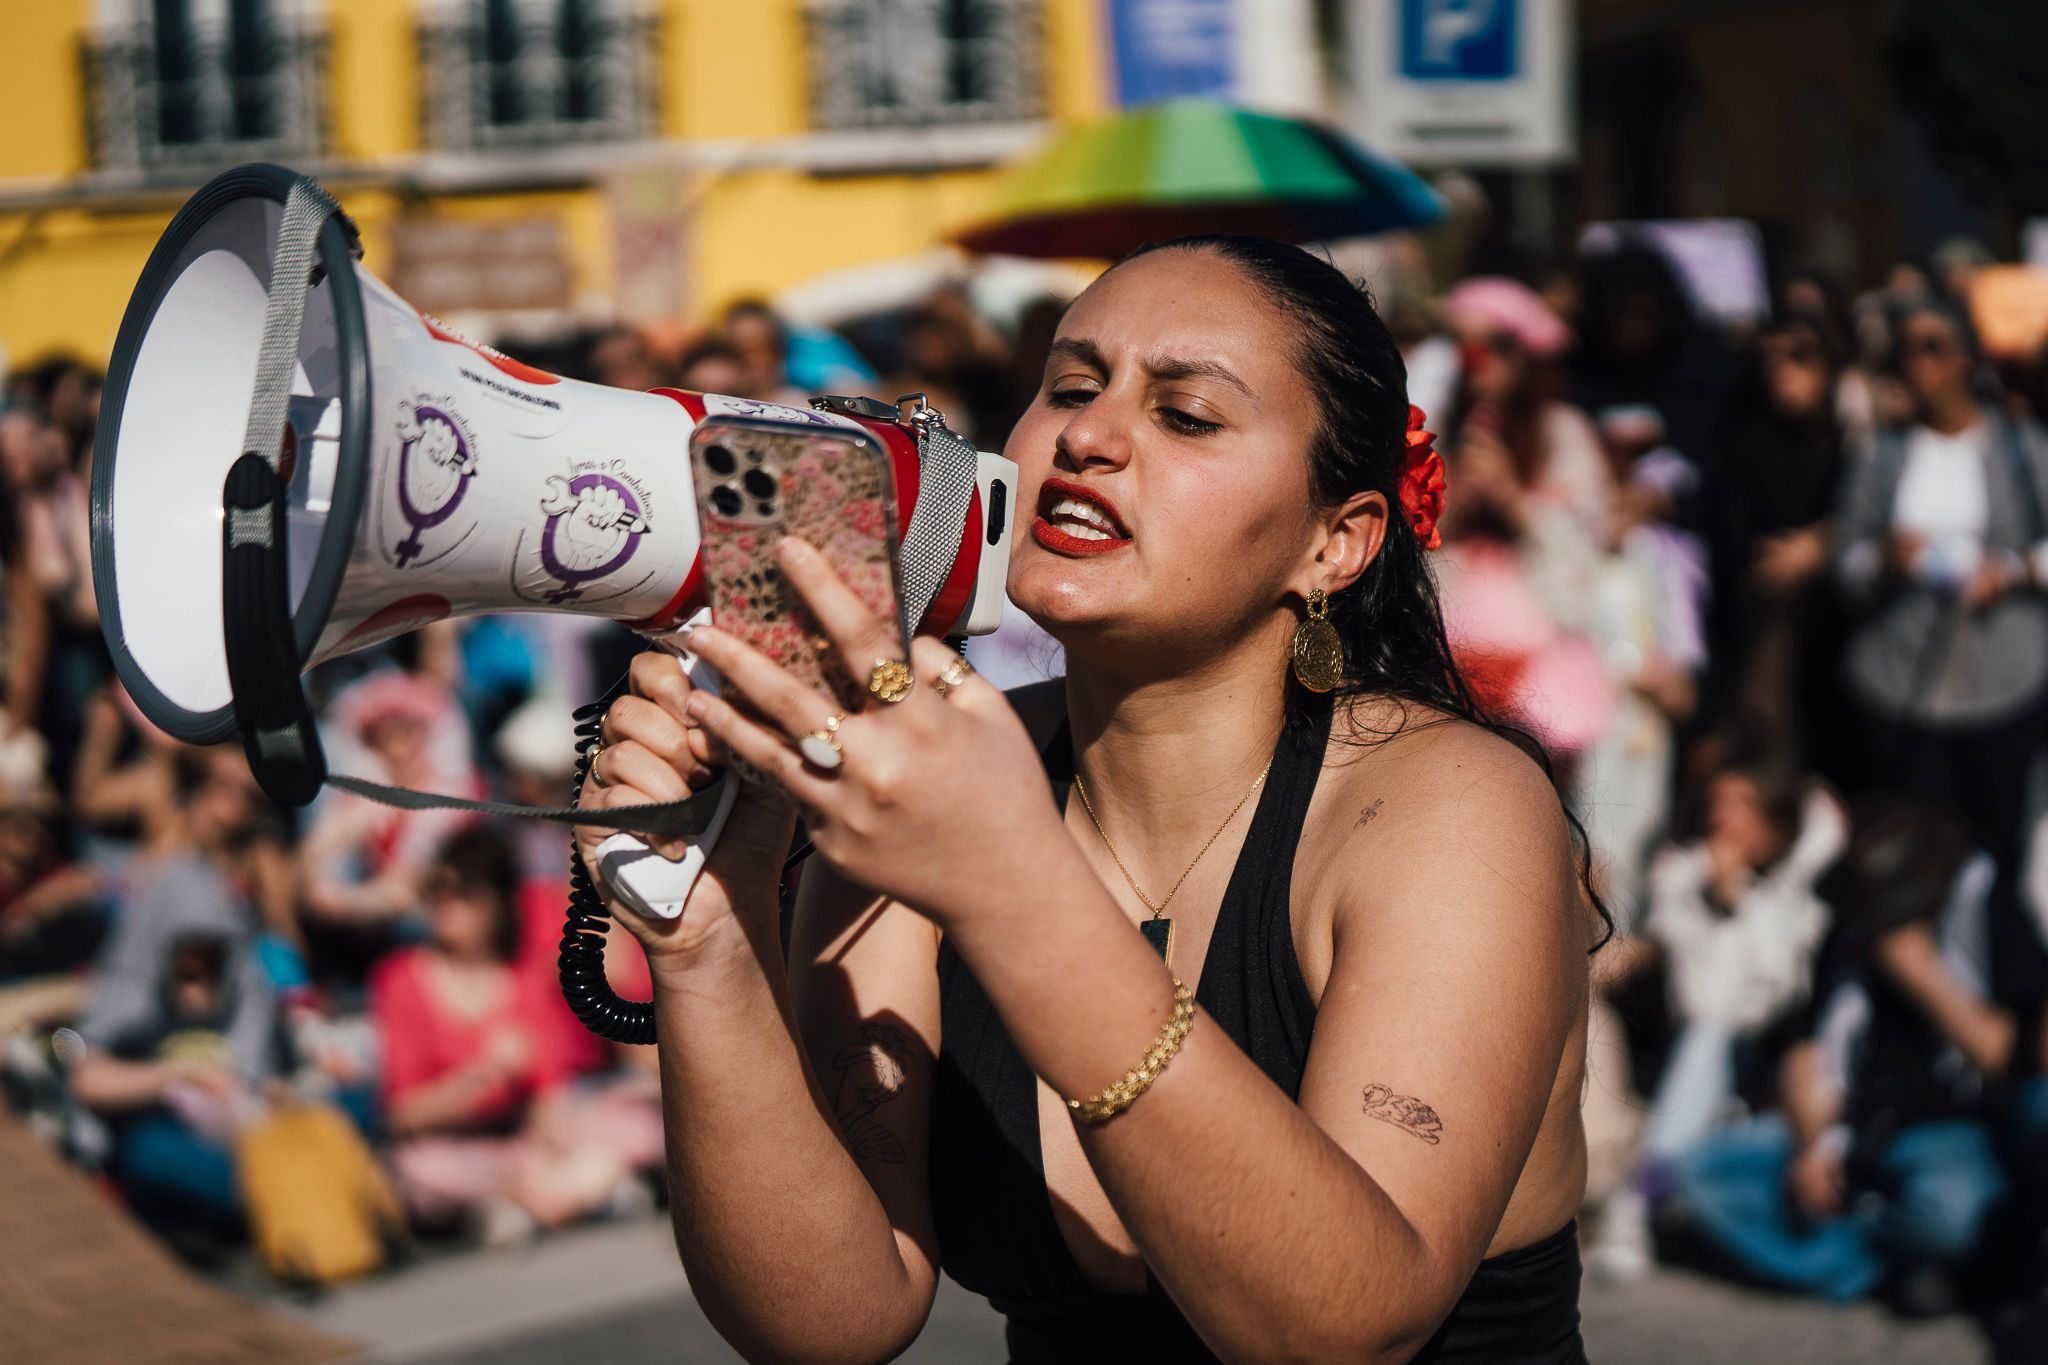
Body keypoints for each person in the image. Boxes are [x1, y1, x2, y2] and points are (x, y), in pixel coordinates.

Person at [578, 236, 1598, 1362]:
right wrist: (714, 945)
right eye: (1068, 387)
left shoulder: (1451, 806)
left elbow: (1340, 1328)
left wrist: (1012, 893)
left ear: (1334, 542)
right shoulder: (937, 775)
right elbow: (831, 1319)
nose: (1088, 438)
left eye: (1186, 417)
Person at [372, 827, 661, 1242]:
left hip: (523, 1146)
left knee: (640, 1122)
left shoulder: (523, 979)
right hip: (456, 1149)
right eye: (436, 892)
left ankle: (533, 1201)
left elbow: (550, 1097)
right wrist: (481, 1077)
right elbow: (402, 1116)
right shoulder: (399, 980)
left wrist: (548, 1140)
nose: (445, 906)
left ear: (496, 904)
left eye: (463, 894)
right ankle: (573, 1194)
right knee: (421, 1168)